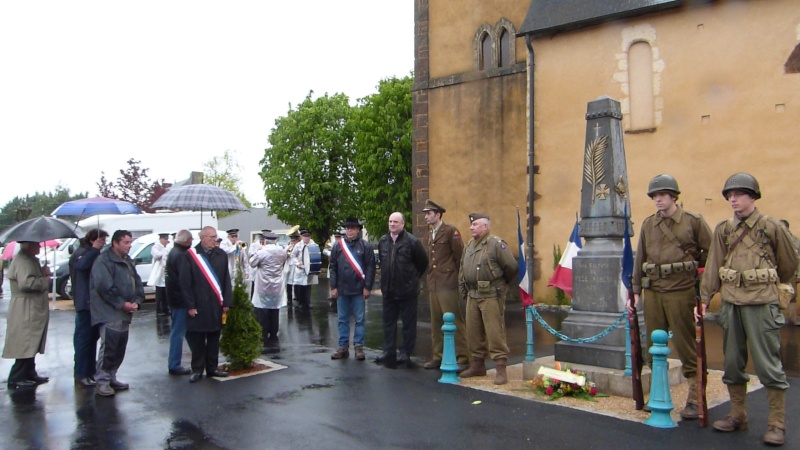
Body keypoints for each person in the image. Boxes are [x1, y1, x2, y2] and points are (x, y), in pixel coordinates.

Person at [699, 173, 798, 446]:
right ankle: (737, 414)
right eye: (730, 195)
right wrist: (705, 298)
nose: (733, 199)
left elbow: (789, 264)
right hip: (731, 303)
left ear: (753, 197)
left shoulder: (771, 227)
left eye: (739, 194)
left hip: (761, 304)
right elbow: (713, 265)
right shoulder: (724, 230)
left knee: (768, 365)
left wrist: (771, 285)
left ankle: (776, 423)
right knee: (732, 362)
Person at [629, 174, 712, 419]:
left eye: (662, 195)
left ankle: (696, 397)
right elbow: (639, 259)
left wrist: (700, 283)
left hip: (681, 291)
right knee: (653, 346)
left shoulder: (692, 221)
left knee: (687, 346)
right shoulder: (648, 224)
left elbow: (712, 253)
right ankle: (658, 394)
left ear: (674, 196)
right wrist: (635, 292)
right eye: (654, 196)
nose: (657, 200)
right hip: (653, 290)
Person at [458, 213, 518, 385]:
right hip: (473, 294)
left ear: (486, 227)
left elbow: (512, 266)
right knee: (473, 332)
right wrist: (464, 290)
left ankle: (500, 368)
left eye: (475, 224)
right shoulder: (469, 245)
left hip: (491, 294)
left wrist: (500, 284)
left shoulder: (495, 244)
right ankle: (477, 365)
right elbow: (462, 269)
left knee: (494, 332)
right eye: (471, 225)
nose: (471, 227)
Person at [90, 230, 145, 397]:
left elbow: (137, 281)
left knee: (120, 346)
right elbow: (104, 287)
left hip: (125, 312)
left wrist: (138, 300)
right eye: (126, 242)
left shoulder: (127, 260)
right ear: (115, 243)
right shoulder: (103, 261)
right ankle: (102, 381)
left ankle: (112, 376)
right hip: (109, 312)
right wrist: (122, 304)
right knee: (110, 347)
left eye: (130, 242)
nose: (129, 246)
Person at [179, 226, 233, 383]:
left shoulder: (221, 255)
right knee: (197, 339)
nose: (214, 240)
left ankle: (212, 368)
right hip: (198, 304)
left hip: (216, 304)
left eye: (215, 237)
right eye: (211, 237)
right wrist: (190, 305)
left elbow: (226, 280)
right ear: (202, 238)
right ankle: (197, 369)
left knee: (214, 337)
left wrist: (227, 302)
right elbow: (185, 283)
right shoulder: (190, 256)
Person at [421, 199, 469, 372]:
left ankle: (463, 357)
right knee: (436, 322)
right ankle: (438, 355)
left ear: (438, 214)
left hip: (448, 282)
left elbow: (459, 257)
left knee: (454, 319)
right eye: (425, 213)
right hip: (434, 283)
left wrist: (458, 278)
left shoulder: (450, 231)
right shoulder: (429, 234)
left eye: (429, 213)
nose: (426, 216)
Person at [376, 212, 428, 369]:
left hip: (407, 291)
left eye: (396, 222)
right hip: (389, 290)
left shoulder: (412, 242)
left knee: (408, 324)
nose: (392, 224)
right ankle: (388, 351)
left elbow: (423, 263)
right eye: (390, 221)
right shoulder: (383, 241)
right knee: (388, 323)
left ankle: (405, 352)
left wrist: (412, 279)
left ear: (403, 224)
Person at [3, 241, 52, 389]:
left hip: (31, 306)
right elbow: (26, 284)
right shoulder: (24, 261)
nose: (39, 247)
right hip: (26, 307)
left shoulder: (29, 260)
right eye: (36, 245)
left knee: (31, 341)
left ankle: (29, 372)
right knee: (26, 341)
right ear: (28, 246)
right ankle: (17, 376)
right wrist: (45, 280)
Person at [329, 217, 376, 361]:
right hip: (342, 289)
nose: (349, 230)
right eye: (347, 228)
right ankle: (343, 347)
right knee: (342, 319)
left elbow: (370, 268)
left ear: (358, 230)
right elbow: (333, 267)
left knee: (360, 319)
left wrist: (367, 287)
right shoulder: (338, 246)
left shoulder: (365, 246)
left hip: (358, 289)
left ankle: (358, 347)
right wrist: (333, 286)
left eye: (352, 228)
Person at [71, 228, 108, 387]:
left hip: (92, 303)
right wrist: (94, 250)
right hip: (85, 304)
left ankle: (89, 371)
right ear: (93, 240)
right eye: (101, 241)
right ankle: (81, 373)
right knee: (84, 340)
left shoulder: (89, 252)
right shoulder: (83, 253)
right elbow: (82, 266)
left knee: (91, 339)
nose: (103, 244)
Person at [249, 232, 288, 353]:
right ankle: (274, 331)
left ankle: (263, 333)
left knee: (263, 309)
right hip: (277, 285)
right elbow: (282, 263)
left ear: (265, 240)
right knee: (274, 309)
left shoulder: (262, 252)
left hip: (264, 285)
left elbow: (252, 263)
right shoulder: (282, 252)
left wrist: (258, 251)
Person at [165, 229, 193, 376]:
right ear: (186, 240)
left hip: (174, 297)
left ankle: (197, 356)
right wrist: (190, 303)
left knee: (183, 331)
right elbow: (184, 281)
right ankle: (174, 364)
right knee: (178, 332)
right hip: (180, 300)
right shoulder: (181, 255)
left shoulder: (173, 252)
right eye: (191, 240)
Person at [290, 229, 319, 310]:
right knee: (300, 286)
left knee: (308, 286)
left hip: (309, 268)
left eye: (308, 236)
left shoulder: (314, 245)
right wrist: (297, 263)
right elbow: (293, 255)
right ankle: (300, 302)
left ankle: (307, 302)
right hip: (300, 268)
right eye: (305, 236)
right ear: (302, 237)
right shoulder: (298, 245)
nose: (307, 238)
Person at [149, 233, 171, 315]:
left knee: (165, 292)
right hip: (158, 272)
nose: (166, 241)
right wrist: (164, 251)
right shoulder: (155, 247)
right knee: (159, 292)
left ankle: (166, 308)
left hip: (165, 271)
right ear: (161, 239)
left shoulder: (166, 247)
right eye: (165, 239)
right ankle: (158, 309)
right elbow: (157, 255)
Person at [285, 229, 300, 306]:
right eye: (292, 240)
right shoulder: (289, 246)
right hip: (290, 267)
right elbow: (285, 255)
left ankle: (298, 297)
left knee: (298, 283)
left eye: (295, 240)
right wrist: (288, 250)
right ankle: (289, 299)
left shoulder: (299, 246)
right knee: (289, 283)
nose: (293, 241)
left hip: (297, 266)